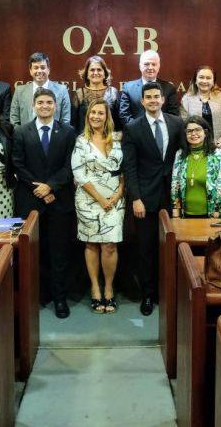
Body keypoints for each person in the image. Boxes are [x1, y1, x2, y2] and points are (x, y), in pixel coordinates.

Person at [12, 88, 77, 319]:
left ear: (56, 105)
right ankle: (36, 297)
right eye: (40, 102)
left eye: (49, 102)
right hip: (30, 202)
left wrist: (51, 186)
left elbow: (70, 166)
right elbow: (17, 164)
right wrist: (39, 189)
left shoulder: (68, 132)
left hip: (59, 201)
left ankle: (60, 299)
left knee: (59, 252)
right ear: (33, 105)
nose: (45, 106)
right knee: (32, 252)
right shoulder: (21, 131)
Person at [122, 82, 183, 316]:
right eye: (149, 97)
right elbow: (130, 166)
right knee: (146, 249)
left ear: (163, 99)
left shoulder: (176, 123)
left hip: (172, 197)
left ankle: (168, 293)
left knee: (170, 248)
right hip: (144, 199)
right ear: (142, 101)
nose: (153, 100)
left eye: (157, 96)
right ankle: (148, 294)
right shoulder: (133, 127)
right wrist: (135, 198)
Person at [71, 99, 124, 314]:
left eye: (100, 113)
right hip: (88, 198)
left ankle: (109, 288)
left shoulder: (118, 140)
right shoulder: (81, 141)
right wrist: (101, 199)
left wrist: (117, 195)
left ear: (107, 116)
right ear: (87, 116)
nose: (96, 116)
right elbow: (79, 174)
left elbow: (124, 171)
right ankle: (95, 288)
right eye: (93, 113)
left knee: (110, 244)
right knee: (92, 243)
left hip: (115, 198)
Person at [171, 116, 221, 218]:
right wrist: (176, 210)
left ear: (205, 132)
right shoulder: (180, 155)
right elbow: (175, 185)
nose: (193, 134)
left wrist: (218, 211)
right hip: (185, 214)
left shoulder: (216, 155)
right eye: (189, 131)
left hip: (211, 214)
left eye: (197, 130)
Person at [118, 49, 180, 127]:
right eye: (146, 64)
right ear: (140, 66)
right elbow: (124, 114)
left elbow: (173, 115)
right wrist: (137, 130)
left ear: (159, 66)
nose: (150, 67)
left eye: (154, 64)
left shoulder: (169, 88)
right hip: (136, 135)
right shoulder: (128, 88)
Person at [10, 52, 70, 127]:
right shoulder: (19, 91)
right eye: (36, 68)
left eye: (42, 67)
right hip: (25, 137)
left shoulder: (62, 90)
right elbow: (14, 119)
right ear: (30, 71)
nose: (39, 71)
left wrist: (58, 138)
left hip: (54, 137)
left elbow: (65, 120)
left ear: (48, 70)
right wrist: (22, 136)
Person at [180, 65, 221, 146]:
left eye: (208, 78)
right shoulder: (186, 99)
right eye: (201, 77)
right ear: (195, 80)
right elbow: (183, 124)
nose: (204, 81)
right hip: (195, 145)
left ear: (213, 82)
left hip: (220, 144)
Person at [70, 55, 120, 134]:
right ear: (87, 73)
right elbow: (73, 123)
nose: (96, 73)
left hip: (109, 140)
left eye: (99, 70)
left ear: (105, 73)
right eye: (92, 70)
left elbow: (119, 122)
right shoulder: (79, 94)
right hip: (84, 142)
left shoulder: (113, 93)